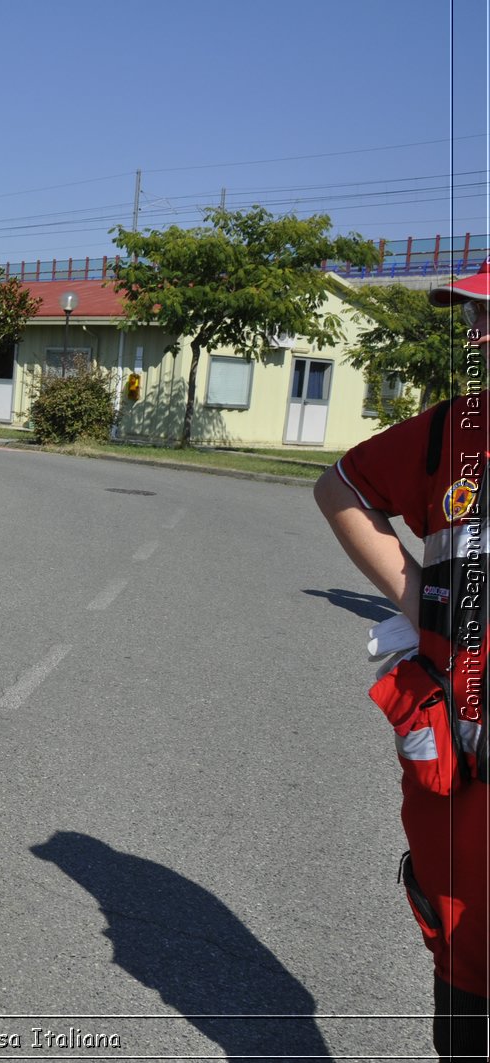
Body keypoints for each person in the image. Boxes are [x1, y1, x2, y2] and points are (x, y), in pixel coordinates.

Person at [315, 257, 490, 1061]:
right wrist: (422, 598)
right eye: (474, 315)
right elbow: (341, 485)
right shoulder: (452, 432)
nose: (477, 334)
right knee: (462, 959)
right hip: (460, 772)